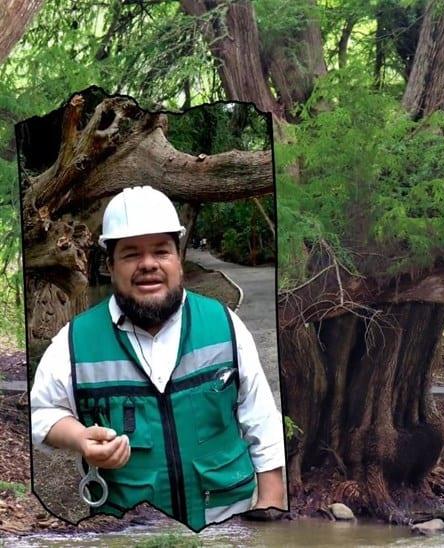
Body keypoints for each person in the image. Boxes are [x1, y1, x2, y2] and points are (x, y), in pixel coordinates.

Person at [30, 186, 286, 531]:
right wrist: (78, 438)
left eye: (161, 251)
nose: (148, 264)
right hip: (131, 532)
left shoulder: (224, 325)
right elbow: (41, 413)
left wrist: (271, 503)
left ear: (177, 259)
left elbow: (261, 418)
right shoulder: (75, 342)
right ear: (109, 265)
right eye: (132, 254)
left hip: (228, 526)